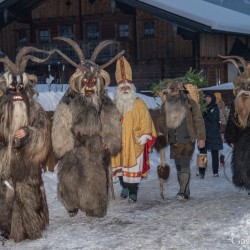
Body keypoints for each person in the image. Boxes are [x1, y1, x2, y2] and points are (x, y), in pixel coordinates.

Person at [52, 37, 123, 217]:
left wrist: (110, 139)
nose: (90, 85)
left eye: (93, 81)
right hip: (75, 144)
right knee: (70, 177)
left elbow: (111, 120)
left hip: (96, 146)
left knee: (94, 178)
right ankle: (72, 204)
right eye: (86, 81)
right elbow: (61, 120)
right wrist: (64, 144)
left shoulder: (104, 100)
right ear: (79, 81)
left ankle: (94, 207)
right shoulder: (70, 99)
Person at [0, 47, 54, 242]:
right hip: (5, 164)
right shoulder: (1, 109)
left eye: (20, 89)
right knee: (6, 196)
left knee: (28, 194)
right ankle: (7, 229)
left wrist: (28, 134)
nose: (16, 93)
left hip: (27, 165)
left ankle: (31, 228)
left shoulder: (35, 109)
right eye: (12, 89)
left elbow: (43, 135)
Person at [111, 56, 157, 203]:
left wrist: (145, 134)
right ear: (118, 89)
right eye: (122, 87)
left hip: (134, 142)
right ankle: (124, 186)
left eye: (127, 86)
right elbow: (107, 122)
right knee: (120, 166)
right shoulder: (113, 104)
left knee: (133, 170)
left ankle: (133, 192)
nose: (125, 88)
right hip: (118, 143)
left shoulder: (139, 103)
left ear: (132, 88)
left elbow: (146, 119)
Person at [154, 81, 206, 201]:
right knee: (178, 166)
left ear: (181, 92)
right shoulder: (166, 105)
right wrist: (161, 132)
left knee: (184, 164)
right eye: (171, 92)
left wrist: (202, 138)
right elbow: (161, 120)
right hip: (173, 140)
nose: (173, 94)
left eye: (175, 92)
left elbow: (199, 120)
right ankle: (185, 190)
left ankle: (182, 191)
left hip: (188, 139)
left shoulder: (190, 104)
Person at [219, 55, 250, 190]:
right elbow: (232, 122)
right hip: (242, 142)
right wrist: (231, 138)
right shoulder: (236, 105)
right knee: (243, 166)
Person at [198, 93, 223, 178]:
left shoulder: (214, 108)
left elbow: (213, 119)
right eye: (206, 98)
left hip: (214, 134)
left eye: (209, 98)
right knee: (203, 154)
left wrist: (205, 112)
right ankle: (202, 172)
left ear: (212, 99)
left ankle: (215, 172)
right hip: (204, 134)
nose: (207, 100)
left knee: (214, 154)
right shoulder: (203, 109)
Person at [214, 92, 229, 166]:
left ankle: (221, 157)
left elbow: (226, 117)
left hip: (222, 127)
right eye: (216, 98)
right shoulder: (212, 106)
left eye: (218, 98)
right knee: (215, 144)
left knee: (221, 144)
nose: (217, 99)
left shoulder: (223, 107)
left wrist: (226, 125)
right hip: (214, 128)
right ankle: (216, 158)